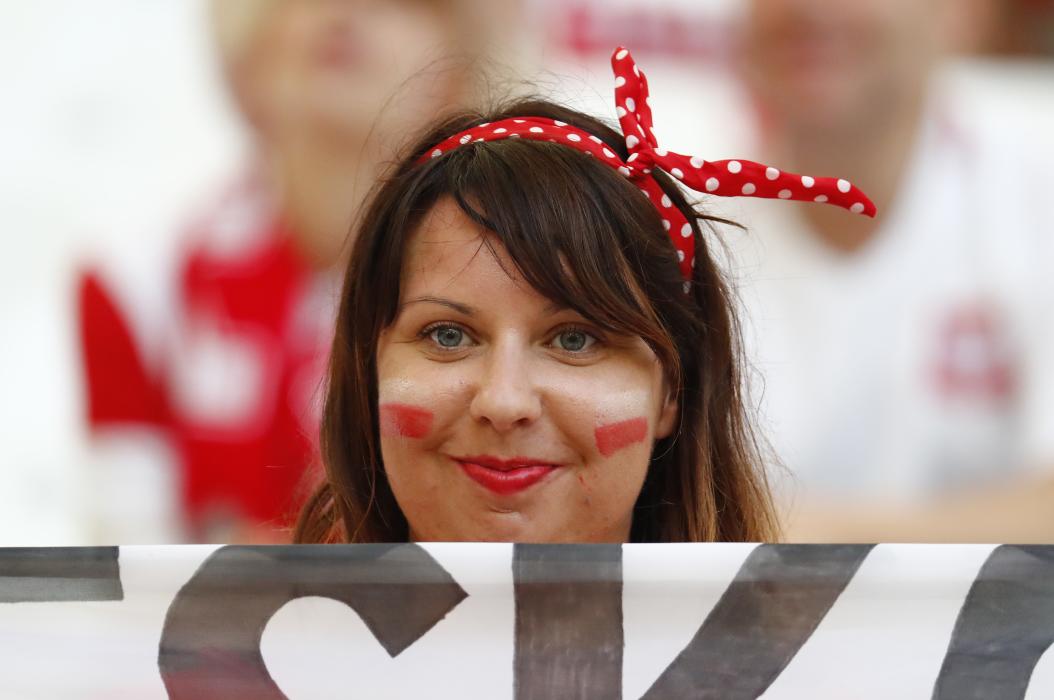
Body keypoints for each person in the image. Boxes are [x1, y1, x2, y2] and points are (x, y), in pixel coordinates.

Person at [294, 47, 874, 543]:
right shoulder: (269, 666)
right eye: (448, 335)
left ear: (672, 388)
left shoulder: (783, 675)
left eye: (574, 339)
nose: (504, 401)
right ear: (368, 364)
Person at [77, 0, 495, 543]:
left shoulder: (520, 281)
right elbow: (129, 568)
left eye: (400, 3)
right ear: (246, 63)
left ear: (462, 70)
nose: (344, 15)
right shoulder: (134, 278)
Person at [729, 0, 1054, 541]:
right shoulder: (665, 217)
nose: (809, 11)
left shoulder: (1036, 194)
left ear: (960, 16)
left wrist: (805, 544)